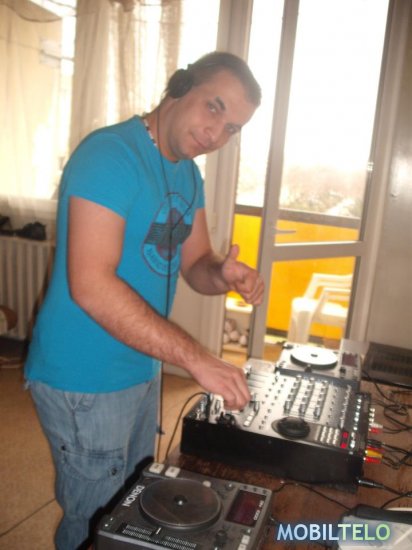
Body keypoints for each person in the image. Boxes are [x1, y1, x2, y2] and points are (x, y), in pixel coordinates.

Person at [24, 51, 264, 549]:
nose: (216, 135)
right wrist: (196, 358)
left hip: (140, 364)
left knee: (129, 511)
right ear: (179, 86)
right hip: (85, 375)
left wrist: (222, 272)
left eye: (232, 128)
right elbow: (91, 285)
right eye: (214, 107)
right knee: (94, 522)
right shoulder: (110, 155)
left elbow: (196, 264)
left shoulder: (188, 175)